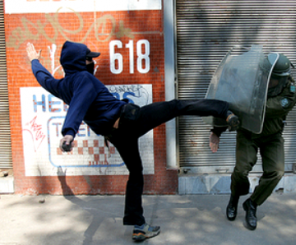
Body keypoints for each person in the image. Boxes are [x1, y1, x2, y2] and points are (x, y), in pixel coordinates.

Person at [26, 41, 240, 242]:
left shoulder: (62, 86)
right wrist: (69, 132)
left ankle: (138, 226)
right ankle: (224, 110)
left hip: (117, 135)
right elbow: (78, 106)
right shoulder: (84, 79)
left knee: (135, 173)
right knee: (175, 106)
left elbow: (44, 78)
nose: (93, 62)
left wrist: (34, 61)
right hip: (130, 121)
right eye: (89, 59)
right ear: (80, 63)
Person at [209, 53, 296, 230]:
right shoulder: (251, 79)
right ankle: (234, 197)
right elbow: (229, 100)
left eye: (274, 79)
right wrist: (216, 131)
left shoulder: (289, 93)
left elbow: (263, 108)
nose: (270, 81)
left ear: (280, 78)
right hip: (248, 133)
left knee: (276, 172)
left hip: (272, 136)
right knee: (241, 171)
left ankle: (252, 204)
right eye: (268, 77)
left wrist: (246, 97)